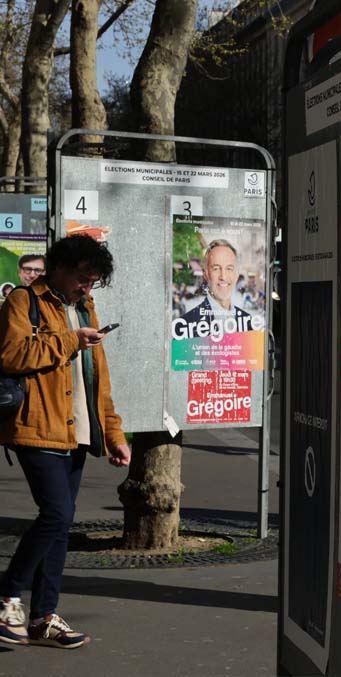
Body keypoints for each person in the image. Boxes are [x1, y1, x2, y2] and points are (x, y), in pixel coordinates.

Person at [0, 235, 130, 649]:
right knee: (56, 514)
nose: (86, 288)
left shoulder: (85, 307)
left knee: (61, 524)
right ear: (59, 267)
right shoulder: (24, 301)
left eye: (93, 282)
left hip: (78, 431)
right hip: (37, 426)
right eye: (82, 279)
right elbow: (11, 355)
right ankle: (7, 594)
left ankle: (43, 617)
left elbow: (98, 378)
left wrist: (113, 433)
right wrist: (73, 340)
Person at [178, 240, 261, 334]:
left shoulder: (250, 324)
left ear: (237, 274)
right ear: (206, 274)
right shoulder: (186, 325)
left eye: (229, 268)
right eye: (216, 268)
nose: (223, 276)